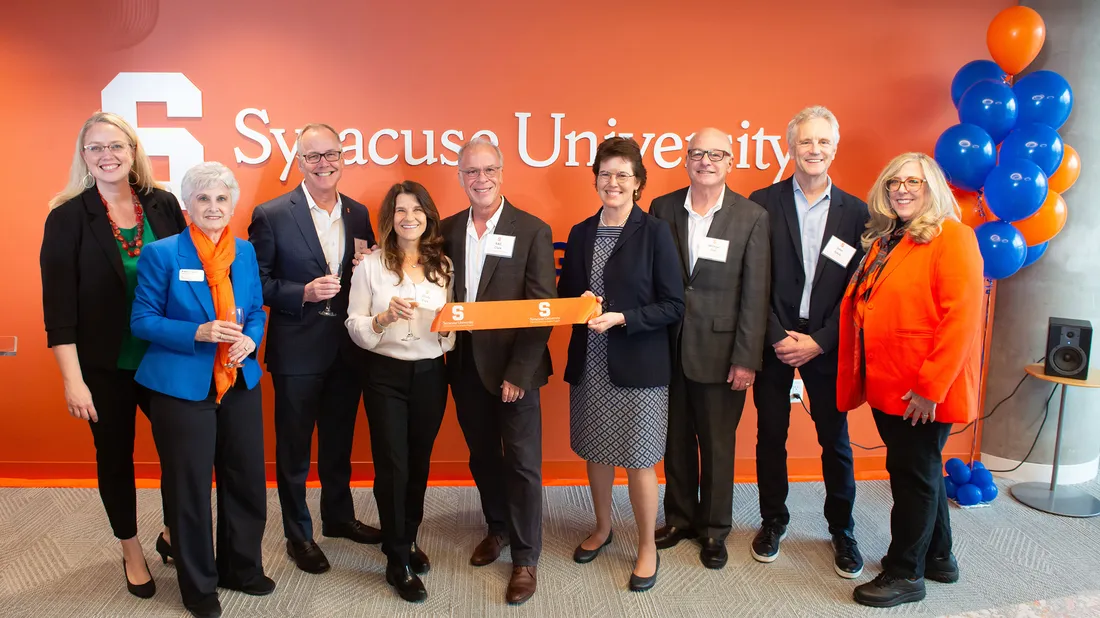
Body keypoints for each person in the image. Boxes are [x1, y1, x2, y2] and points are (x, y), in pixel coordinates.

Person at [40, 111, 185, 598]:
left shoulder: (163, 205)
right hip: (105, 366)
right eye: (95, 147)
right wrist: (72, 380)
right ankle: (131, 548)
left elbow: (191, 280)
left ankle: (171, 533)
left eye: (116, 146)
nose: (107, 156)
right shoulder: (66, 217)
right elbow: (58, 310)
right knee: (115, 458)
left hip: (165, 357)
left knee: (181, 454)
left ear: (133, 150)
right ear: (84, 157)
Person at [837, 152, 983, 607]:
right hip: (889, 380)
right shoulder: (888, 239)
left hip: (921, 389)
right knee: (923, 472)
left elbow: (961, 318)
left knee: (912, 477)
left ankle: (905, 573)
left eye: (913, 182)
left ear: (931, 188)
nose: (901, 189)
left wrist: (929, 387)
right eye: (893, 182)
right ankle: (939, 557)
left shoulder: (952, 237)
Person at [131, 162, 273, 618]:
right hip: (181, 385)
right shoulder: (163, 253)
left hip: (238, 379)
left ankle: (242, 568)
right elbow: (143, 321)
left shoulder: (245, 253)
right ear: (188, 204)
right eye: (203, 199)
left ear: (231, 204)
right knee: (190, 488)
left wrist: (251, 337)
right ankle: (198, 586)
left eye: (221, 199)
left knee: (246, 478)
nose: (213, 207)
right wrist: (198, 332)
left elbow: (254, 308)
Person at [248, 123, 381, 574]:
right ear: (299, 162)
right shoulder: (271, 214)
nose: (324, 164)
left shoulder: (360, 213)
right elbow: (258, 282)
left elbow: (369, 274)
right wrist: (300, 293)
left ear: (343, 157)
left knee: (339, 442)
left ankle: (339, 518)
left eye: (331, 155)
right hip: (297, 349)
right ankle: (298, 534)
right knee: (294, 449)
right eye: (313, 157)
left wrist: (370, 266)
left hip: (347, 348)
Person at [748, 106, 869, 577]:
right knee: (770, 436)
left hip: (826, 343)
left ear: (834, 148)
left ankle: (842, 529)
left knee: (835, 441)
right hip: (773, 338)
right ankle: (773, 521)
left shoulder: (857, 212)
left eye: (822, 142)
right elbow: (752, 279)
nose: (813, 150)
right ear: (790, 147)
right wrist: (778, 336)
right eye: (805, 142)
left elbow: (858, 290)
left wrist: (819, 341)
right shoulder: (762, 201)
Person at [559, 137, 685, 591]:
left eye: (623, 175)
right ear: (595, 178)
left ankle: (647, 545)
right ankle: (602, 526)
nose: (612, 183)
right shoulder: (580, 232)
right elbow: (568, 297)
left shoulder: (655, 232)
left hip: (639, 363)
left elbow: (674, 304)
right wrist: (581, 303)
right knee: (596, 450)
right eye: (605, 174)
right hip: (591, 361)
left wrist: (624, 317)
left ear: (638, 183)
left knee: (639, 459)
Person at [441, 137, 557, 605]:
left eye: (488, 170)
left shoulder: (532, 230)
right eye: (471, 171)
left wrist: (520, 372)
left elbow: (542, 308)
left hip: (515, 370)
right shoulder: (446, 230)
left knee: (523, 464)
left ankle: (526, 558)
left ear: (503, 173)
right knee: (483, 455)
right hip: (465, 364)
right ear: (460, 176)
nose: (480, 179)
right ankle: (498, 527)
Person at [649, 127, 770, 570]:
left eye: (716, 154)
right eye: (697, 153)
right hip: (668, 348)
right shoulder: (662, 209)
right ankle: (679, 518)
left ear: (730, 162)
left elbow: (756, 295)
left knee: (718, 445)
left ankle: (715, 529)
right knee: (676, 439)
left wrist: (746, 358)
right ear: (686, 160)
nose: (706, 161)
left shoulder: (751, 216)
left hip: (722, 354)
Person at [345, 181, 455, 603]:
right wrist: (382, 318)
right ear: (388, 219)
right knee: (392, 466)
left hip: (430, 374)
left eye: (416, 210)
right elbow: (354, 325)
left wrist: (447, 331)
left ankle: (407, 538)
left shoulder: (441, 265)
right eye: (400, 211)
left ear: (428, 216)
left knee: (418, 463)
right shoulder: (371, 266)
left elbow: (451, 329)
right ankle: (396, 559)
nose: (409, 218)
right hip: (384, 375)